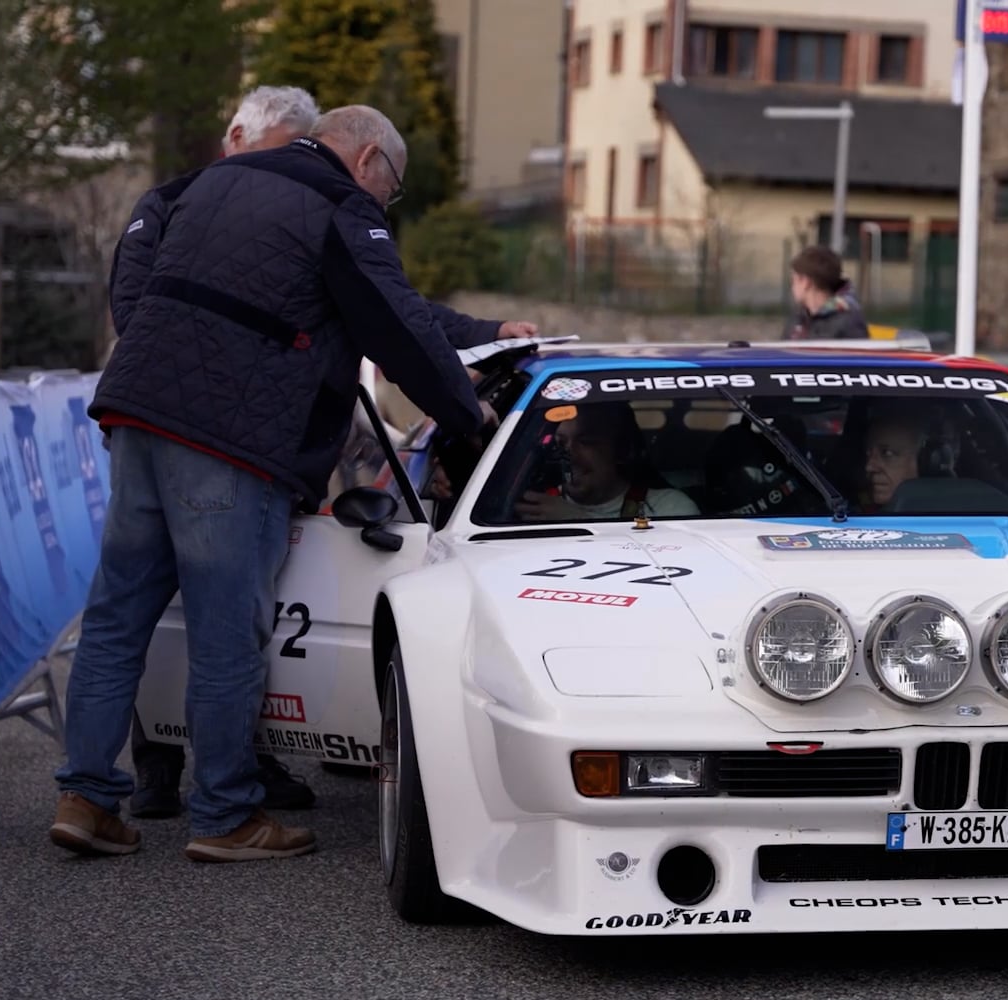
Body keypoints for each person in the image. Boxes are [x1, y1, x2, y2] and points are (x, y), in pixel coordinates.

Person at [51, 104, 488, 863]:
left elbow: (142, 285)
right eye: (395, 188)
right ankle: (224, 814)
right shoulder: (343, 206)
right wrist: (466, 417)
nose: (389, 202)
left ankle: (85, 798)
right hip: (228, 437)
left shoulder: (210, 183)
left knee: (118, 613)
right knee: (230, 628)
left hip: (136, 412)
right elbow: (394, 321)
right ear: (368, 163)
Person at [514, 404, 698, 521]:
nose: (569, 454)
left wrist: (575, 521)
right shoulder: (528, 506)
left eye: (586, 442)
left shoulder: (670, 508)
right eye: (560, 442)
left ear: (622, 450)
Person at [784, 245, 870, 340]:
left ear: (806, 283)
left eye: (794, 280)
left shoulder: (849, 322)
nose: (792, 286)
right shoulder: (799, 317)